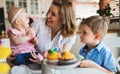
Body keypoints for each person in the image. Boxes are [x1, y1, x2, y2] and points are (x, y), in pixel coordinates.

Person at [7, 0, 77, 67]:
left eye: (53, 14)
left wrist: (42, 57)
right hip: (32, 67)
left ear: (63, 19)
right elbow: (22, 44)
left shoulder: (70, 33)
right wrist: (10, 58)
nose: (48, 15)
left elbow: (63, 58)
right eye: (49, 11)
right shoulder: (38, 24)